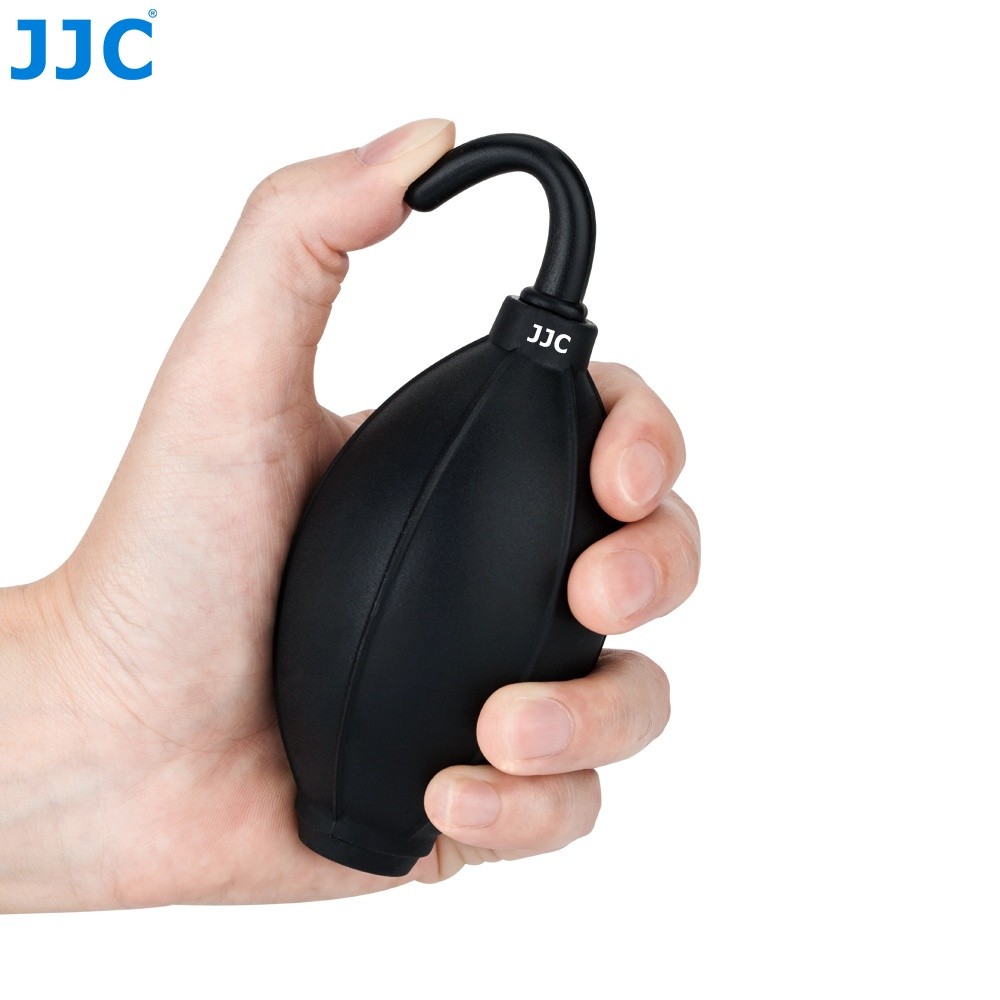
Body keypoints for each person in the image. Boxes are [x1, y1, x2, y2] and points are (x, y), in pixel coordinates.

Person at [0, 119, 700, 912]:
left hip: (325, 778)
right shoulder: (524, 418)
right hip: (306, 766)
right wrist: (95, 699)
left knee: (608, 561)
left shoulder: (529, 420)